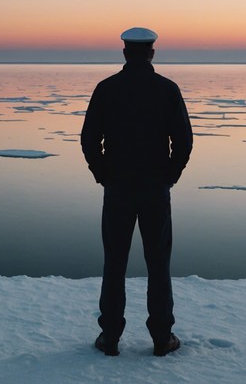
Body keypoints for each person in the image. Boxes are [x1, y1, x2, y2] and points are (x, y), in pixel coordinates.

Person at [81, 27, 193, 356]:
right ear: (151, 53)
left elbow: (89, 139)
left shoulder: (107, 89)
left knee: (114, 262)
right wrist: (169, 176)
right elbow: (184, 141)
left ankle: (110, 337)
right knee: (158, 262)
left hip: (118, 187)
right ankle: (162, 338)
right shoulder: (167, 89)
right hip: (154, 188)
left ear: (125, 53)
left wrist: (103, 174)